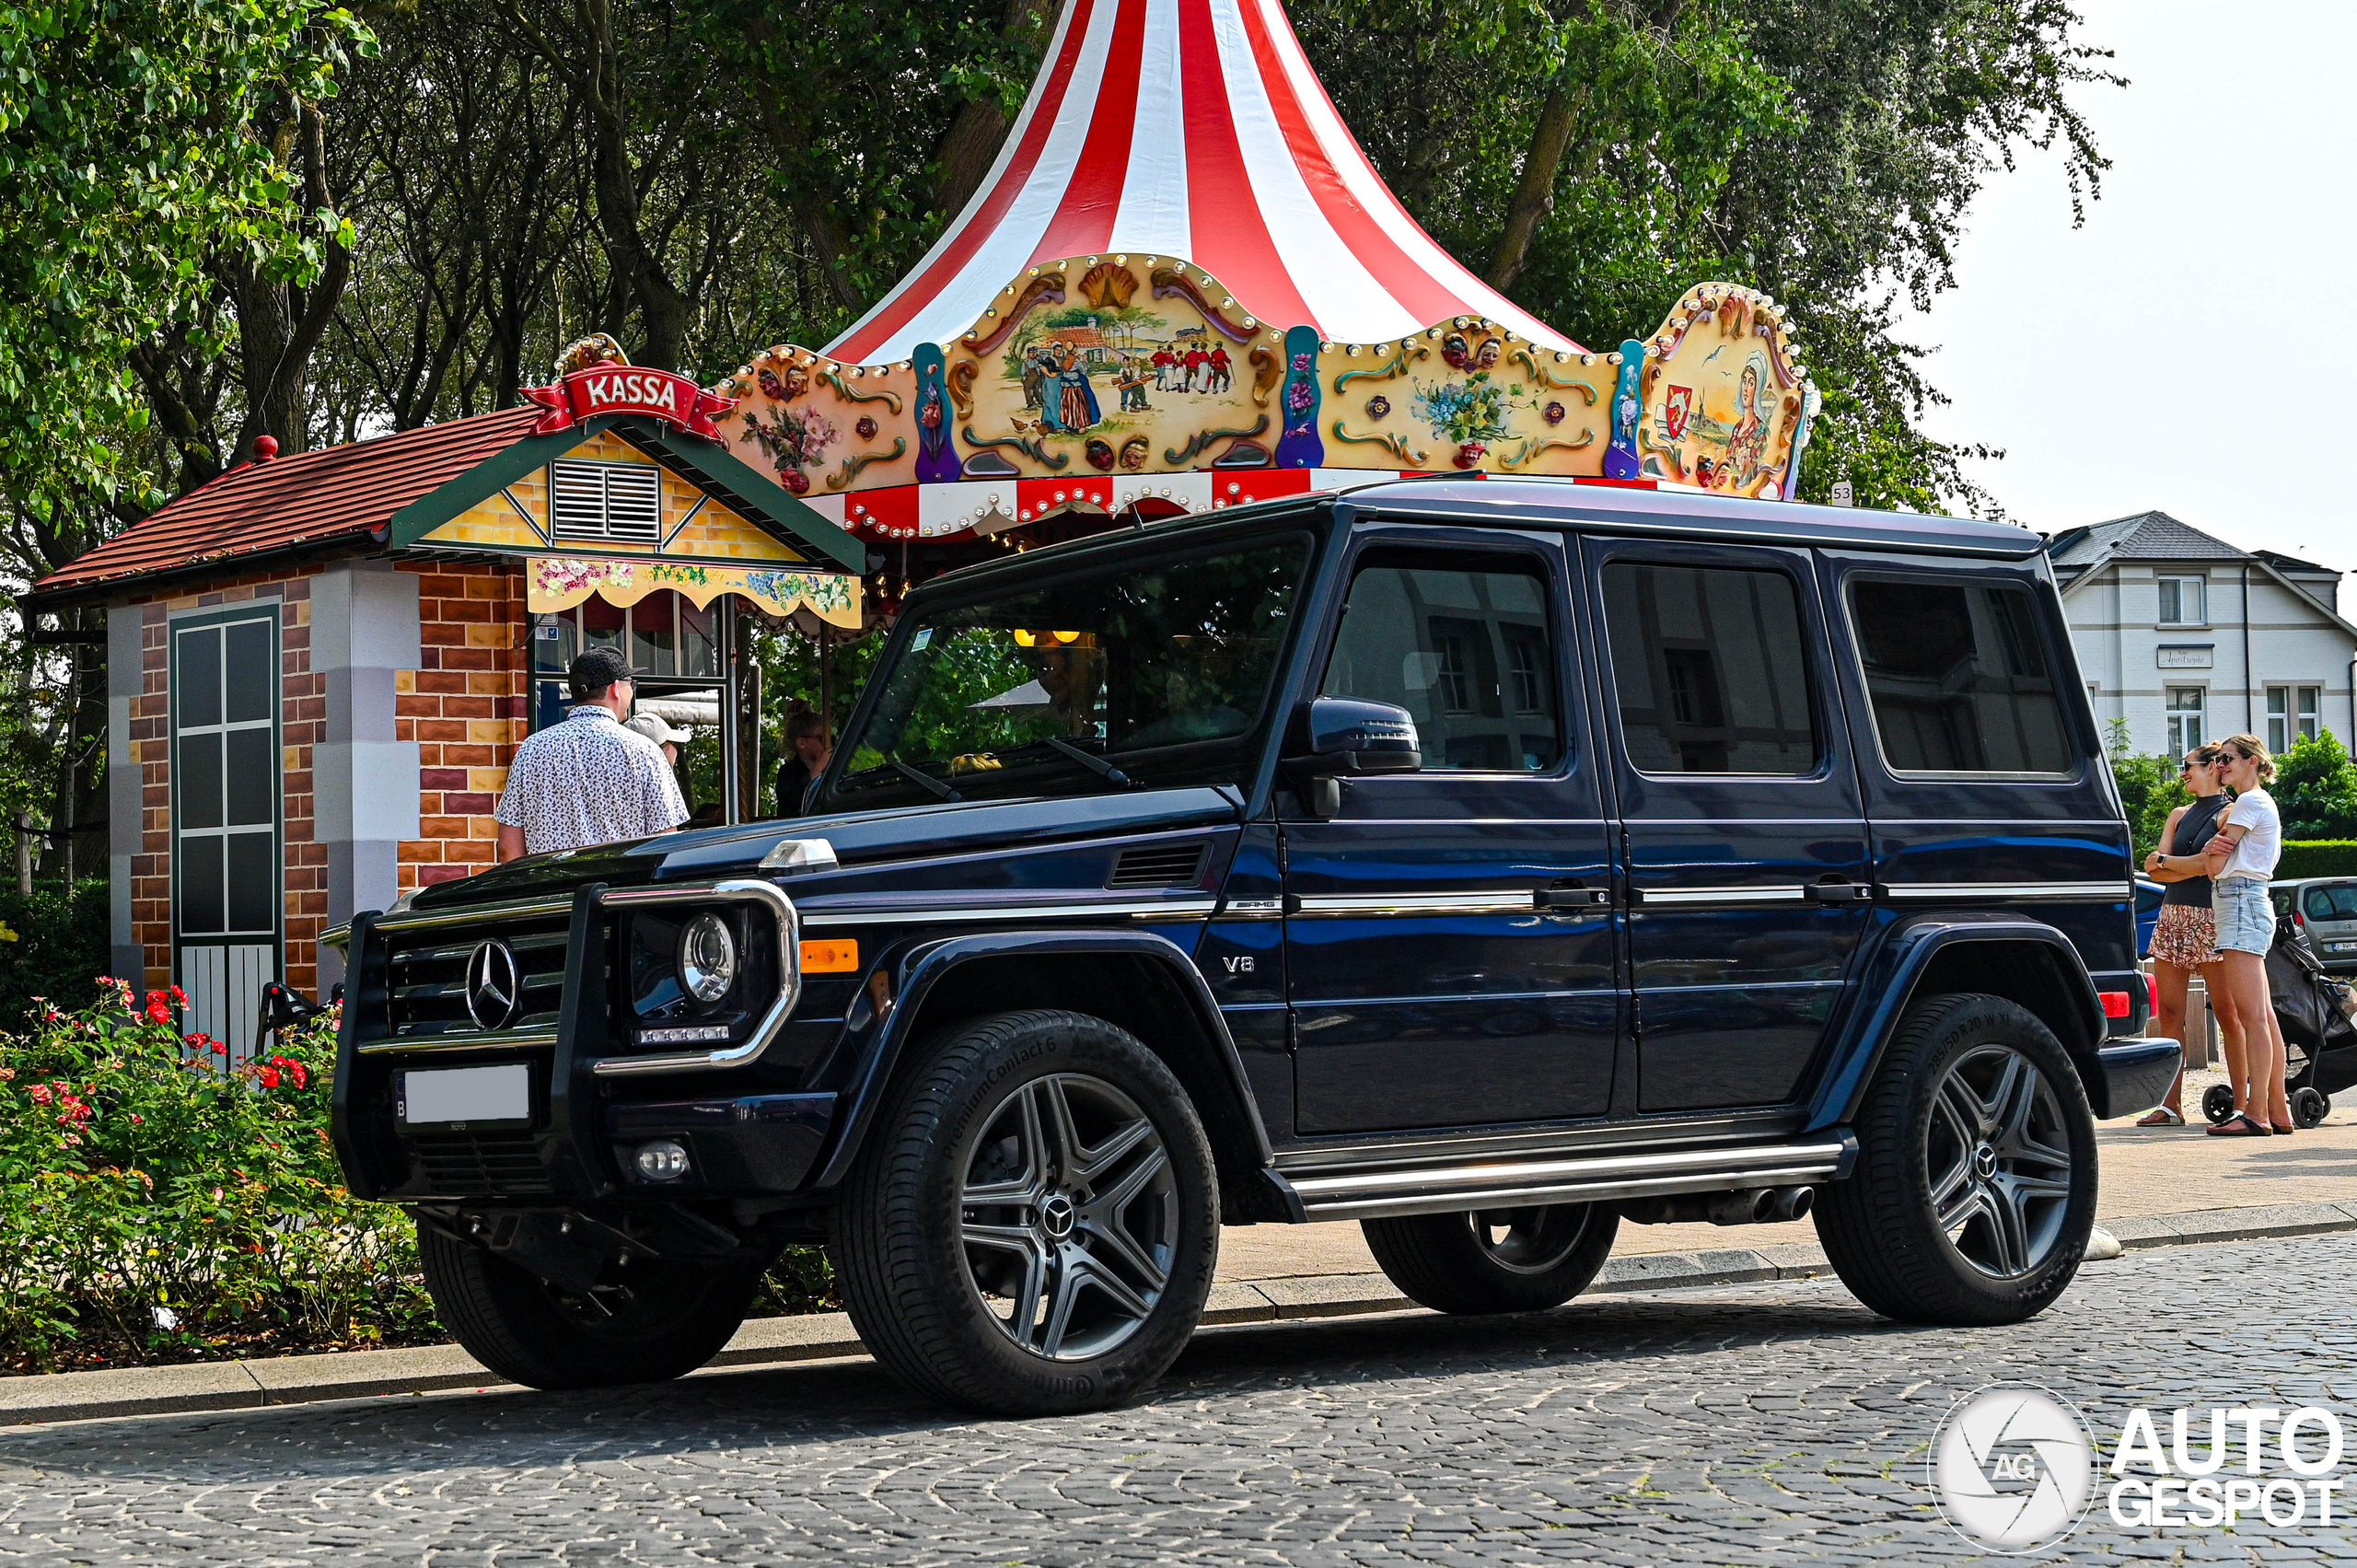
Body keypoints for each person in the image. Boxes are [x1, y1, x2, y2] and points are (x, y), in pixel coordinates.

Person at [2153, 733, 2292, 1135]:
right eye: (2218, 759)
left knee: (2250, 1018)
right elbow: (2207, 862)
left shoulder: (2247, 802)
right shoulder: (2254, 802)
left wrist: (2189, 859)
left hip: (2239, 901)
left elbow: (2212, 866)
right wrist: (2203, 858)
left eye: (2229, 759)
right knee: (2262, 1016)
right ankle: (2277, 1110)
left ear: (2251, 761)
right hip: (2242, 901)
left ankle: (2258, 1115)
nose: (2221, 765)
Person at [493, 648, 688, 860]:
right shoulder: (646, 752)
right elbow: (664, 846)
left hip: (551, 890)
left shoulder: (530, 751)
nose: (632, 691)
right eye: (631, 685)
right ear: (615, 689)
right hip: (618, 890)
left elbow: (508, 849)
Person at [2138, 745, 2246, 1125]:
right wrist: (2187, 865)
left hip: (2211, 919)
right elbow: (2153, 870)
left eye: (2188, 767)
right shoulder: (2178, 814)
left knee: (2229, 1015)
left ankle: (2242, 1105)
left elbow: (2212, 865)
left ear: (2213, 768)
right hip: (2172, 917)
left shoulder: (2230, 812)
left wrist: (2172, 864)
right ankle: (2170, 1105)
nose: (2182, 773)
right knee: (2169, 1015)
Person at [772, 709, 832, 818]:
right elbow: (799, 800)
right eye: (823, 739)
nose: (829, 744)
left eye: (832, 739)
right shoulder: (788, 773)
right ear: (802, 743)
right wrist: (817, 769)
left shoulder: (833, 770)